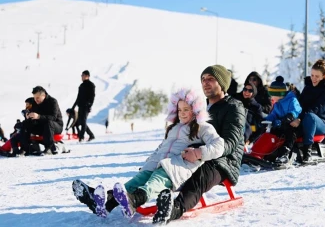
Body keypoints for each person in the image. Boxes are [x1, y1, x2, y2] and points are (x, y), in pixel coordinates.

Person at [72, 88, 224, 219]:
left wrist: (198, 153)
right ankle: (105, 204)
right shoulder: (174, 128)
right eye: (179, 110)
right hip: (156, 164)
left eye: (186, 110)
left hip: (175, 168)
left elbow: (219, 145)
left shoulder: (203, 127)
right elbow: (161, 148)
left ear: (195, 110)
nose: (182, 114)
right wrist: (148, 163)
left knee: (154, 183)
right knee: (133, 183)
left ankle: (134, 200)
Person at [152, 65, 246, 224]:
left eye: (211, 79)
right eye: (203, 79)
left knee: (200, 173)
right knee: (165, 164)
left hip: (224, 161)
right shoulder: (202, 107)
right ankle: (132, 196)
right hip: (199, 154)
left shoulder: (234, 107)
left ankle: (174, 209)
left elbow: (229, 144)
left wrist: (199, 152)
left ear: (222, 84)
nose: (205, 83)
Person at [289, 59, 325, 162]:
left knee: (310, 117)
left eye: (317, 76)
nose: (313, 79)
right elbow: (300, 105)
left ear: (324, 76)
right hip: (305, 118)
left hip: (322, 123)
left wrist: (300, 119)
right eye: (312, 75)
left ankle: (307, 151)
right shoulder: (308, 87)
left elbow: (317, 109)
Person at [263, 76, 302, 163]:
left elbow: (296, 110)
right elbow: (273, 115)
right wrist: (266, 120)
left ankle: (285, 154)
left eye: (272, 95)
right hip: (282, 125)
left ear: (279, 94)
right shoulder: (277, 103)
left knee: (290, 132)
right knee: (271, 131)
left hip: (294, 124)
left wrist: (289, 117)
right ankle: (264, 152)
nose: (271, 97)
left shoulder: (292, 99)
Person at [19, 86, 63, 154]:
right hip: (41, 126)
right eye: (34, 97)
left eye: (38, 98)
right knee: (25, 123)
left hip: (56, 126)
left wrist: (39, 116)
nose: (36, 99)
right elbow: (32, 115)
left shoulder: (53, 101)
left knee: (49, 123)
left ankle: (49, 148)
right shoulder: (34, 102)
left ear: (44, 95)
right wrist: (28, 116)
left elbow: (53, 117)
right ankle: (24, 148)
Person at [71, 70, 96, 142]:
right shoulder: (81, 86)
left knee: (83, 121)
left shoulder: (91, 85)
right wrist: (73, 107)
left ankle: (81, 137)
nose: (81, 77)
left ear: (87, 76)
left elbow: (92, 96)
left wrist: (89, 105)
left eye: (83, 75)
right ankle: (91, 135)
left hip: (86, 106)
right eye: (81, 75)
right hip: (80, 106)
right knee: (82, 121)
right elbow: (78, 97)